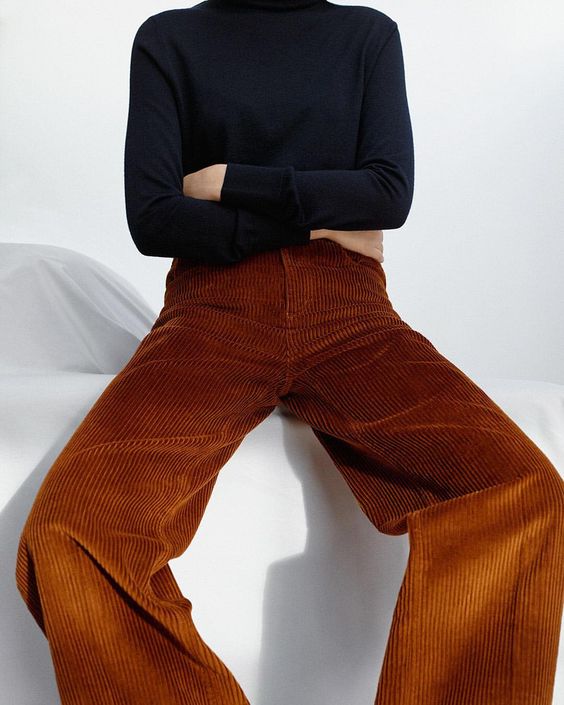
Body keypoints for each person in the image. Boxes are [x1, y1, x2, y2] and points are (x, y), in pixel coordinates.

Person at [15, 1, 564, 703]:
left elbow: (388, 193)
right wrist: (317, 218)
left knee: (518, 488)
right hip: (212, 314)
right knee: (72, 528)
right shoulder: (170, 38)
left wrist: (226, 183)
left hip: (351, 316)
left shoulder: (366, 35)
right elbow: (154, 217)